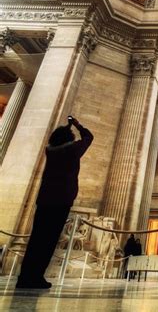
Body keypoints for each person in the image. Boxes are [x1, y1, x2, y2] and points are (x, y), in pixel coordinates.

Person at [16, 115, 93, 290]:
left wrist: (67, 128)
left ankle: (25, 277)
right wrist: (78, 125)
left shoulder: (50, 151)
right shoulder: (72, 150)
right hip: (61, 199)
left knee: (36, 239)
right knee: (49, 241)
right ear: (70, 139)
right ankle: (36, 277)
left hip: (44, 199)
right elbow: (88, 138)